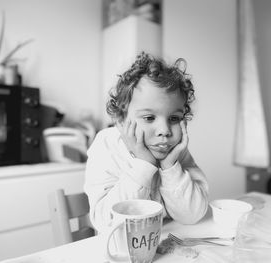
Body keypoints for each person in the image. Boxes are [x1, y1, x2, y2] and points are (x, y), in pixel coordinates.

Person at [84, 52, 209, 231]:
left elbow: (192, 215)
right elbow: (107, 223)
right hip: (122, 251)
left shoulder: (175, 152)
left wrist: (170, 167)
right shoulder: (106, 145)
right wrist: (143, 165)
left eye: (174, 118)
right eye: (149, 118)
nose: (165, 131)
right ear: (120, 120)